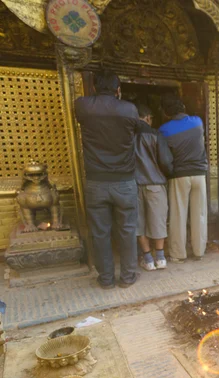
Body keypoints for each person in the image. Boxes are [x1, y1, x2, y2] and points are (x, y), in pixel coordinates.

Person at [75, 70, 140, 289]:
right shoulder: (129, 109)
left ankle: (106, 279)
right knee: (127, 230)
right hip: (125, 182)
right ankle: (128, 276)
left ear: (93, 87)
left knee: (100, 233)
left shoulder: (83, 105)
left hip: (96, 182)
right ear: (118, 89)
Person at [159, 94, 208, 263]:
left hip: (179, 175)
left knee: (178, 215)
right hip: (199, 174)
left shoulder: (164, 129)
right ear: (183, 108)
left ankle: (178, 254)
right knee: (199, 214)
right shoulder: (197, 122)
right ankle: (199, 251)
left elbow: (164, 155)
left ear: (166, 113)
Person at [134, 104, 173, 271]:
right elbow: (165, 161)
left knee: (139, 223)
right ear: (148, 117)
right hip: (155, 184)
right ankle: (161, 258)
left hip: (133, 185)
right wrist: (168, 174)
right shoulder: (155, 134)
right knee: (158, 222)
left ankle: (148, 259)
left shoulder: (126, 135)